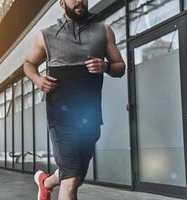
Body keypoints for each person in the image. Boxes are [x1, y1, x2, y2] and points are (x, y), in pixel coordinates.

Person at [23, 0, 125, 199]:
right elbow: (28, 63)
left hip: (90, 118)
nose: (79, 0)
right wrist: (38, 80)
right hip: (60, 118)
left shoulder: (103, 31)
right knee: (70, 182)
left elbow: (120, 66)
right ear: (62, 2)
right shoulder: (46, 35)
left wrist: (105, 67)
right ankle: (49, 182)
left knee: (75, 177)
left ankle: (45, 182)